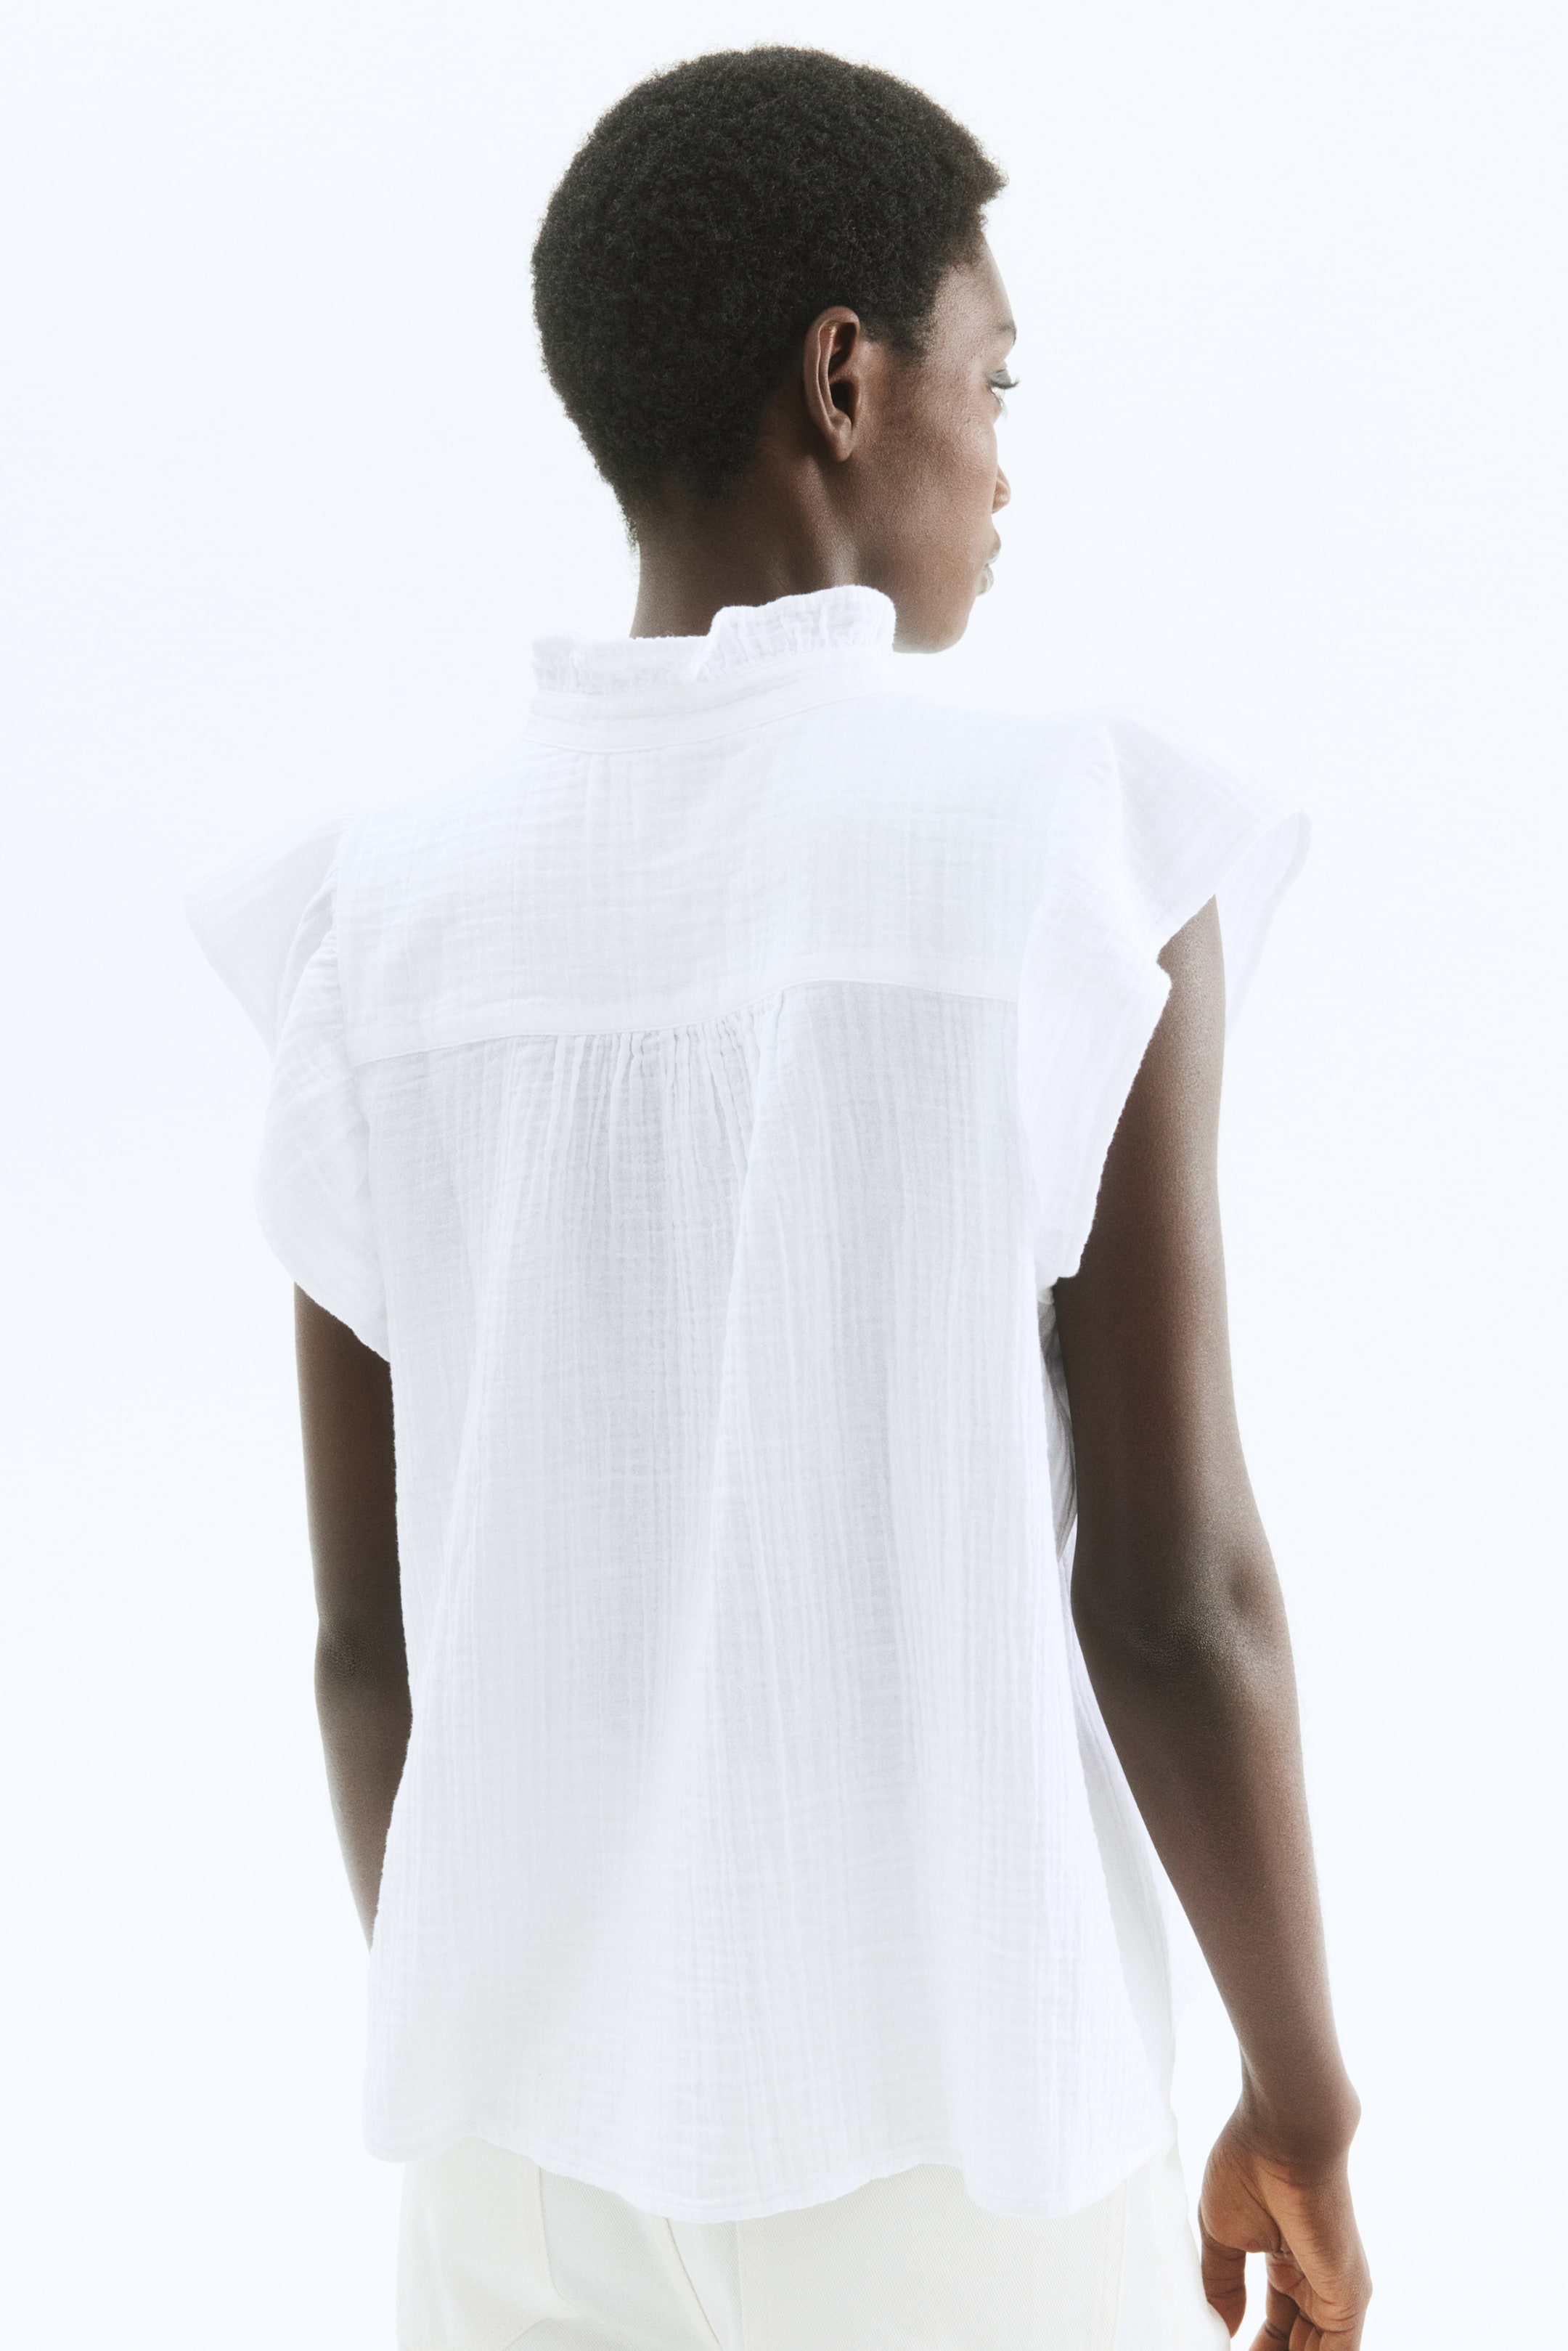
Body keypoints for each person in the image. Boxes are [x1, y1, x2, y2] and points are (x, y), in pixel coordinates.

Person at [188, 44, 1371, 2351]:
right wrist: (1304, 2100)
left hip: (516, 2164)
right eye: (992, 379)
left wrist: (525, 2038)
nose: (1005, 465)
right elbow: (1173, 1597)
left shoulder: (380, 918)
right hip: (959, 2125)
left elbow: (369, 1642)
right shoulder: (1068, 851)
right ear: (847, 379)